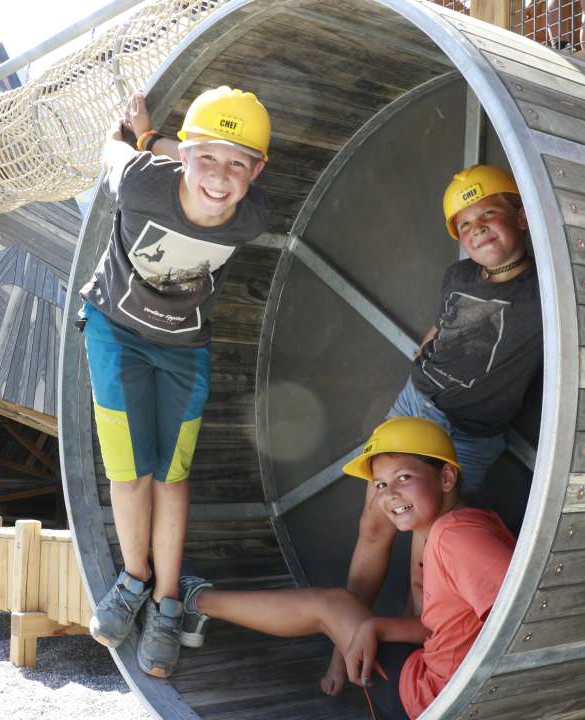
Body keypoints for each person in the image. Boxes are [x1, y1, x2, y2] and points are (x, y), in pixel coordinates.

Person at [323, 164, 541, 693]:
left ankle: (420, 662)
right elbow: (447, 321)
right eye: (465, 225)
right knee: (374, 524)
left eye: (489, 214)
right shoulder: (459, 275)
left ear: (522, 217)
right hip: (417, 403)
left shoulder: (545, 290)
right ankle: (341, 649)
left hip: (471, 432)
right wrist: (429, 342)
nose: (478, 230)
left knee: (429, 559)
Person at [79, 86, 271, 677]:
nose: (219, 177)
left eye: (238, 164)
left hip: (185, 351)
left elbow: (188, 151)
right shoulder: (140, 182)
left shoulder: (254, 216)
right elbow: (113, 153)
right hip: (116, 331)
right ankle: (132, 580)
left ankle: (167, 603)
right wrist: (134, 139)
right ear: (183, 156)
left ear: (257, 172)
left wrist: (152, 135)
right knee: (128, 473)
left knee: (172, 476)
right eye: (207, 158)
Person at [178, 418, 515, 719]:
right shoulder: (465, 523)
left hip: (433, 701)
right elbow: (454, 632)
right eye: (380, 485)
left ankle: (197, 601)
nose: (390, 495)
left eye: (404, 477)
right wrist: (376, 627)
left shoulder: (455, 537)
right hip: (440, 685)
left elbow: (517, 622)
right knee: (348, 612)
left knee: (329, 605)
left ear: (446, 477)